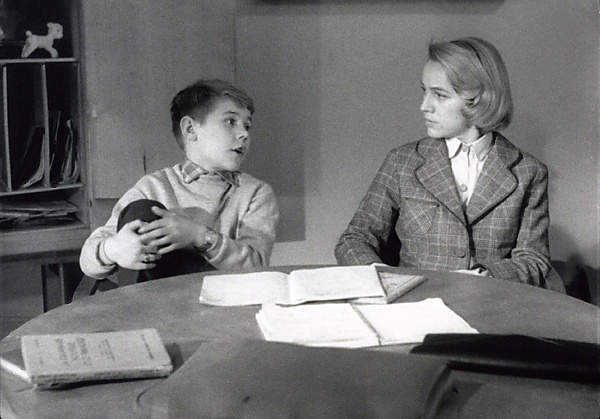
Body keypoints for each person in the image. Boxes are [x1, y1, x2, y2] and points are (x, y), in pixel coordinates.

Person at [335, 37, 558, 289]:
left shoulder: (528, 172)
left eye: (440, 95)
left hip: (488, 304)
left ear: (477, 99)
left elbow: (534, 260)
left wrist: (485, 277)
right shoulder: (403, 162)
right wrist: (383, 281)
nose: (424, 106)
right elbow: (354, 240)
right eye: (424, 91)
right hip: (413, 303)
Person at [80, 79, 279, 286]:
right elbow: (87, 261)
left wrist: (198, 236)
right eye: (230, 121)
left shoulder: (255, 192)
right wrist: (113, 249)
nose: (244, 133)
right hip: (157, 297)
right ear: (190, 129)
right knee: (142, 211)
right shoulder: (153, 186)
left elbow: (256, 266)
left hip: (222, 298)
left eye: (247, 125)